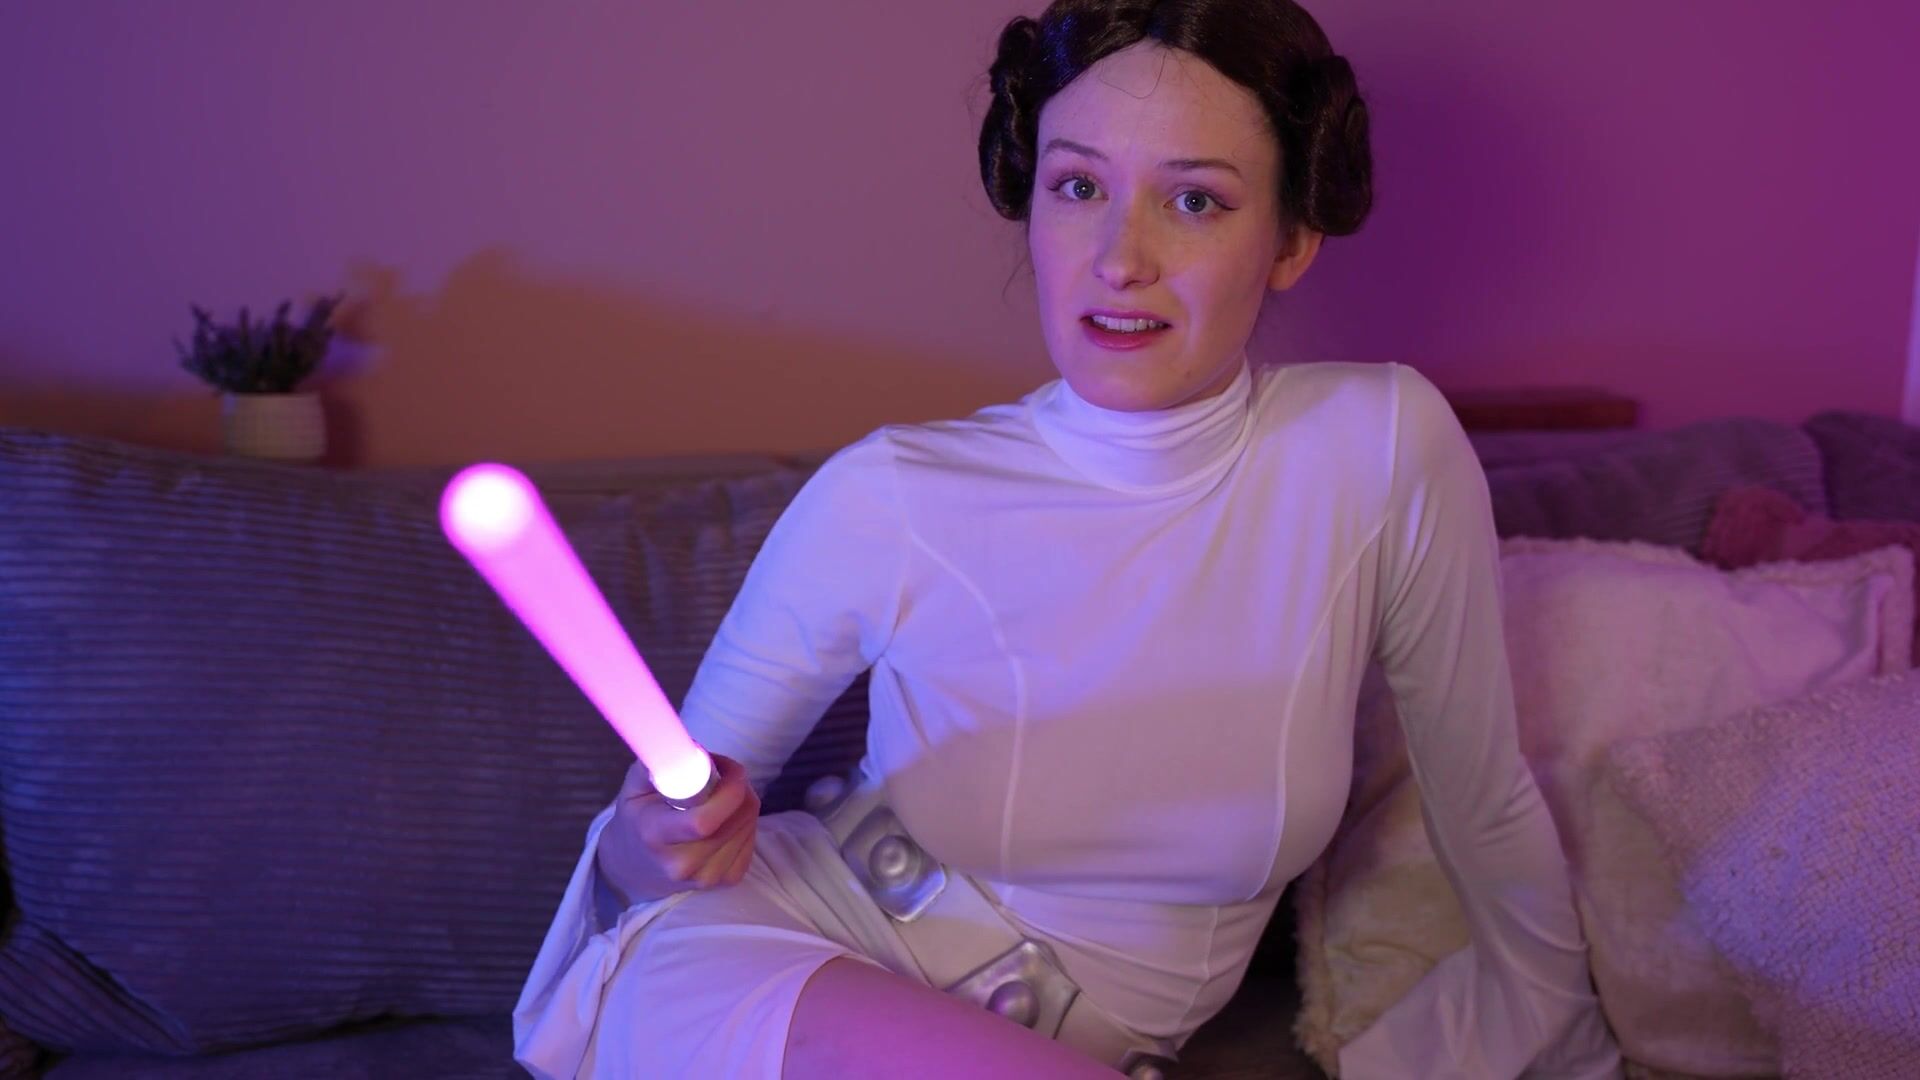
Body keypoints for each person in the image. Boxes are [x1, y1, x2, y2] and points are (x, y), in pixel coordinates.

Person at [514, 1, 1625, 1077]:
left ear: (1291, 239)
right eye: (1079, 186)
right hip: (759, 957)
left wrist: (1570, 1041)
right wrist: (652, 839)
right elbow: (643, 847)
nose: (1119, 257)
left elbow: (1483, 798)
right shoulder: (890, 494)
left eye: (1194, 201)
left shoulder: (1379, 448)